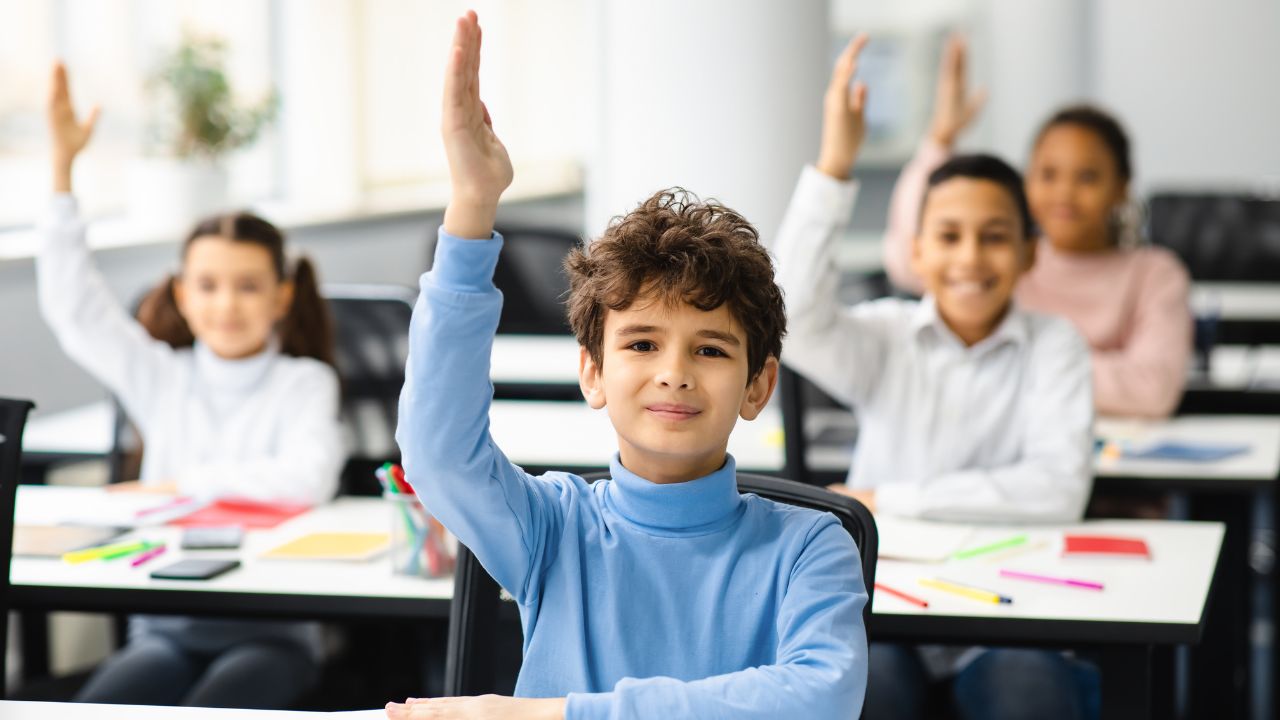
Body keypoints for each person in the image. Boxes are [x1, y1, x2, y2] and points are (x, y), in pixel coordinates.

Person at [387, 12, 867, 720]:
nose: (674, 372)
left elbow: (818, 698)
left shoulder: (810, 544)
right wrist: (471, 205)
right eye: (642, 344)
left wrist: (554, 715)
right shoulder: (551, 527)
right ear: (592, 373)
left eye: (710, 349)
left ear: (759, 385)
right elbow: (437, 453)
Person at [771, 36, 1098, 720]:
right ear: (916, 251)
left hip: (1012, 608)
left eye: (995, 236)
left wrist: (890, 499)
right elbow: (791, 311)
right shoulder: (886, 334)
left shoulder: (1054, 345)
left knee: (1029, 700)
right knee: (865, 695)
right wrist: (834, 164)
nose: (970, 257)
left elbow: (1057, 487)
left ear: (1030, 252)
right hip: (890, 601)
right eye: (948, 236)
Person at [39, 62, 345, 709]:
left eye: (249, 285)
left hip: (272, 631)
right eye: (207, 286)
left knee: (217, 705)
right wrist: (62, 175)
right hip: (166, 624)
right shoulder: (161, 375)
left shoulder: (304, 384)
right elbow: (74, 309)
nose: (226, 304)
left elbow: (306, 477)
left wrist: (179, 486)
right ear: (181, 293)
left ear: (283, 296)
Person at [883, 35, 1191, 418]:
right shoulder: (1007, 257)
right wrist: (940, 139)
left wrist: (1009, 361)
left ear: (1121, 187)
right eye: (1048, 174)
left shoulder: (1154, 273)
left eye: (1088, 177)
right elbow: (904, 257)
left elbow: (1151, 391)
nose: (1064, 193)